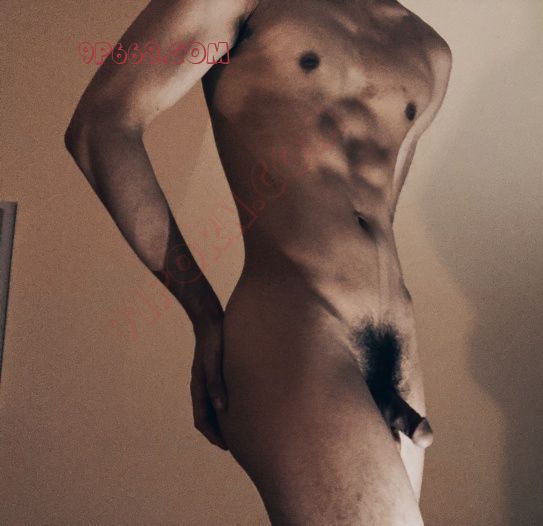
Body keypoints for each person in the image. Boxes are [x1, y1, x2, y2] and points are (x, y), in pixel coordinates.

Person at [65, 0, 451, 523]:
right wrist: (203, 312)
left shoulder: (430, 51)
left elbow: (376, 213)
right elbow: (101, 126)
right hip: (297, 326)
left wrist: (379, 368)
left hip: (397, 342)